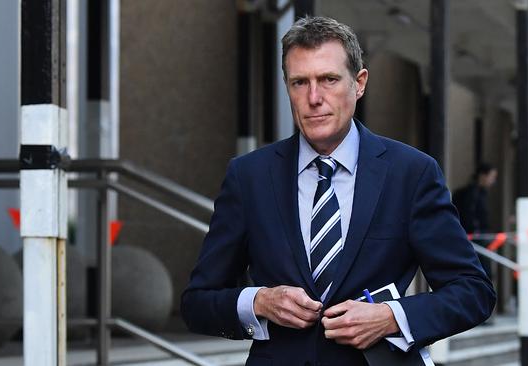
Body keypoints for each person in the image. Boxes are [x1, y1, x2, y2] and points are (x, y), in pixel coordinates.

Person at [181, 16, 495, 365]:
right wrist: (258, 302)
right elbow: (197, 302)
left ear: (359, 83)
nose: (314, 97)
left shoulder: (412, 173)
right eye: (300, 82)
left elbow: (473, 291)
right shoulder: (249, 176)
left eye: (328, 79)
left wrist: (392, 317)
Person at [452, 163, 498, 278]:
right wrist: (475, 231)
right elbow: (469, 215)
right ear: (482, 176)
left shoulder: (480, 193)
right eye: (491, 177)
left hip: (479, 237)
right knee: (481, 270)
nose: (493, 181)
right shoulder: (472, 193)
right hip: (474, 238)